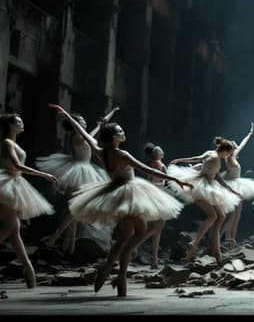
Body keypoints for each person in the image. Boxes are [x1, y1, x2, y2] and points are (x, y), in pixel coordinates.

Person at [49, 104, 191, 297]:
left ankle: (109, 270)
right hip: (128, 193)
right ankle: (119, 274)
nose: (123, 132)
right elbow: (146, 169)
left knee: (125, 236)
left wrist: (66, 114)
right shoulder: (122, 154)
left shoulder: (101, 151)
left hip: (114, 193)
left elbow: (83, 131)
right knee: (139, 233)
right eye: (120, 131)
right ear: (114, 137)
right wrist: (174, 179)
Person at [39, 107, 118, 254]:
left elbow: (100, 126)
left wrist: (112, 112)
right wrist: (67, 115)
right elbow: (86, 129)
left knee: (75, 211)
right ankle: (55, 236)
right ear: (76, 124)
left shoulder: (83, 135)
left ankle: (69, 248)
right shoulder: (78, 136)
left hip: (85, 169)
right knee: (77, 210)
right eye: (81, 120)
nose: (84, 121)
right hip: (79, 171)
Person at [0, 113, 58, 288]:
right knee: (11, 227)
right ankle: (29, 268)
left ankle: (28, 268)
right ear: (10, 125)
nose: (22, 122)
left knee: (15, 230)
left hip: (14, 184)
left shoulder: (13, 142)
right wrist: (44, 174)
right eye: (18, 121)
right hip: (7, 184)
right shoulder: (7, 142)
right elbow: (17, 166)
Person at [167, 138, 243, 263]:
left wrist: (180, 160)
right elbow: (209, 174)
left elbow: (197, 159)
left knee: (221, 217)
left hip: (207, 186)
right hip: (202, 188)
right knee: (213, 216)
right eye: (229, 154)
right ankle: (195, 242)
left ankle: (215, 249)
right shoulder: (215, 159)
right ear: (225, 151)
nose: (228, 156)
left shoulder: (210, 153)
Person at [220, 123, 254, 244]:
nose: (236, 149)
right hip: (234, 185)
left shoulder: (231, 156)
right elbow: (240, 146)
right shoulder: (230, 158)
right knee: (234, 215)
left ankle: (230, 239)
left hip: (235, 184)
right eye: (234, 148)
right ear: (230, 150)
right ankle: (223, 236)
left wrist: (250, 134)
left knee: (236, 215)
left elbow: (242, 145)